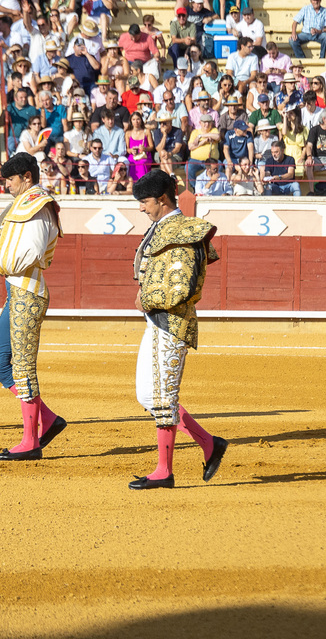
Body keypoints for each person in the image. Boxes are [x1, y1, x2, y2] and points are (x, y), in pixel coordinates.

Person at [127, 170, 228, 490]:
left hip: (172, 321)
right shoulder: (164, 227)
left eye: (145, 202)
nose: (142, 208)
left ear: (162, 199)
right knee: (147, 394)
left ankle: (164, 471)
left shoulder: (183, 230)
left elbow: (182, 286)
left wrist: (148, 298)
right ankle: (210, 444)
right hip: (156, 321)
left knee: (161, 396)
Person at [0, 154, 66, 461]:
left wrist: (6, 267)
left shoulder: (38, 205)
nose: (7, 185)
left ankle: (30, 441)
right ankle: (48, 420)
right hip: (16, 290)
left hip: (27, 290)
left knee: (22, 367)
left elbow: (32, 250)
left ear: (26, 177)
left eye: (11, 179)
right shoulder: (26, 203)